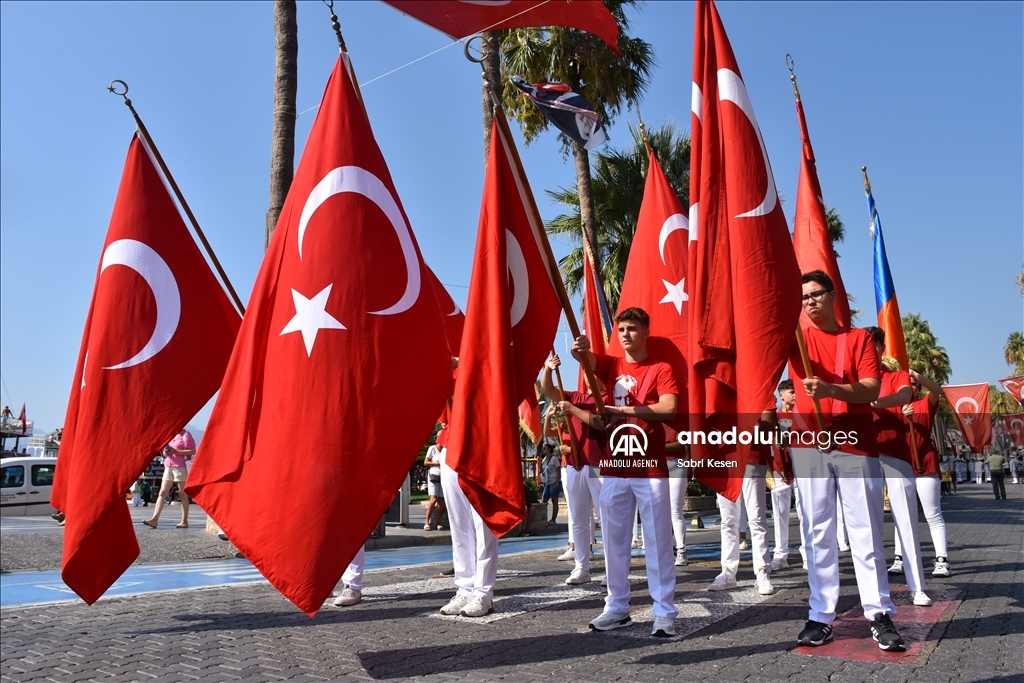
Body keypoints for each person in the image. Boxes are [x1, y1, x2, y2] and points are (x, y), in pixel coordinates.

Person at [788, 271, 904, 651]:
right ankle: (821, 615)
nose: (809, 301)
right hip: (809, 443)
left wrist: (831, 389)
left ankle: (878, 612)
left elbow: (871, 388)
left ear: (833, 295)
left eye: (816, 294)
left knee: (866, 530)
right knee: (817, 530)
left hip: (855, 442)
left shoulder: (858, 339)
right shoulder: (796, 339)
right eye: (803, 297)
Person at [572, 307, 679, 638]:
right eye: (621, 330)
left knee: (658, 542)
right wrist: (581, 350)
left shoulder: (662, 368)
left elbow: (670, 407)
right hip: (614, 467)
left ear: (646, 332)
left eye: (633, 329)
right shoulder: (610, 364)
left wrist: (625, 409)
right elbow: (589, 362)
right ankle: (617, 607)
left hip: (650, 468)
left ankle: (664, 612)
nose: (626, 335)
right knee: (614, 542)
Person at [864, 326, 931, 608]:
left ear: (880, 347)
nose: (867, 350)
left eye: (872, 345)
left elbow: (906, 396)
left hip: (896, 452)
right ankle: (878, 592)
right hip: (864, 453)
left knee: (906, 522)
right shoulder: (853, 379)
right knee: (869, 527)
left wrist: (875, 401)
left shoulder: (896, 375)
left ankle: (918, 587)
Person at [540, 354, 607, 585]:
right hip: (575, 466)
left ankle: (614, 567)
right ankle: (581, 566)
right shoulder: (575, 396)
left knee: (607, 519)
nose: (588, 378)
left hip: (601, 466)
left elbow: (601, 422)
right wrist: (548, 369)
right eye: (586, 374)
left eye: (593, 373)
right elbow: (548, 389)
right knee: (578, 519)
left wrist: (573, 410)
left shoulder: (610, 399)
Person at [707, 402, 776, 596]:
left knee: (756, 517)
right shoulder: (719, 391)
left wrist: (742, 423)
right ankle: (728, 571)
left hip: (752, 458)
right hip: (725, 458)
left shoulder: (761, 389)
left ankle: (762, 571)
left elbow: (767, 425)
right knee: (728, 520)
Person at [437, 418, 499, 618]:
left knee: (483, 521)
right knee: (459, 524)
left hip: (481, 439)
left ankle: (483, 592)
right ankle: (465, 588)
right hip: (451, 442)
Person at [142, 428, 195, 529]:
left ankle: (184, 521)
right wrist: (165, 452)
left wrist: (176, 451)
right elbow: (164, 452)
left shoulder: (186, 435)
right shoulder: (169, 435)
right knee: (162, 492)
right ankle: (154, 519)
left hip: (180, 467)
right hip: (168, 466)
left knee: (182, 493)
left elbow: (192, 451)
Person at [770, 379, 797, 571]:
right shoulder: (774, 415)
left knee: (807, 514)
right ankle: (781, 554)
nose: (795, 395)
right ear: (781, 395)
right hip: (779, 469)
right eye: (791, 392)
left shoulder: (802, 414)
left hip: (801, 470)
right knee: (780, 515)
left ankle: (808, 553)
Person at [423, 441, 446, 531]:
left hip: (443, 476)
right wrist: (439, 463)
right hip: (434, 476)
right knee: (433, 499)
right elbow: (426, 462)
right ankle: (426, 522)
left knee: (441, 501)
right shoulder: (432, 448)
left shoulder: (445, 450)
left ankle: (437, 523)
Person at [539, 443, 563, 523]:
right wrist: (539, 460)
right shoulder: (544, 459)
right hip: (547, 483)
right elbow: (541, 471)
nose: (543, 450)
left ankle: (553, 519)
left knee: (554, 500)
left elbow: (558, 471)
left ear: (549, 449)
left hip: (554, 481)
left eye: (544, 448)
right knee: (544, 500)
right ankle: (542, 519)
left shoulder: (554, 459)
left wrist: (557, 482)